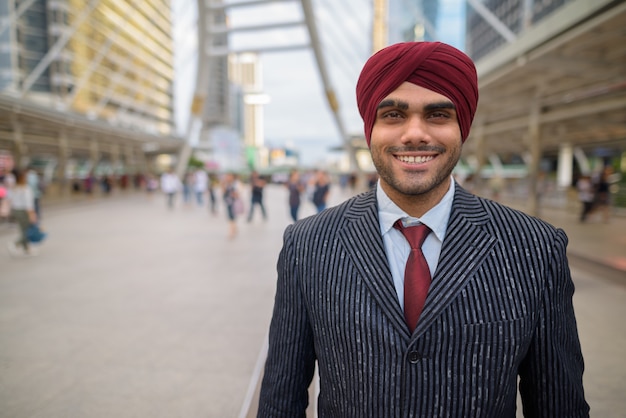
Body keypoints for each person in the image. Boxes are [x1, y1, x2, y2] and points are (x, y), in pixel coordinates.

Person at [257, 41, 589, 417]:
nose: (414, 134)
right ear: (370, 129)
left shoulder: (534, 248)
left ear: (462, 127)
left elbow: (559, 404)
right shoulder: (308, 245)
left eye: (437, 115)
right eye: (394, 115)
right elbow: (280, 399)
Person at [6, 169, 38, 256]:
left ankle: (26, 249)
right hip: (24, 211)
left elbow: (10, 199)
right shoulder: (26, 189)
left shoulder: (14, 188)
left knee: (23, 229)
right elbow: (28, 204)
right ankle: (15, 244)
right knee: (26, 231)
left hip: (16, 210)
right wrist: (32, 214)